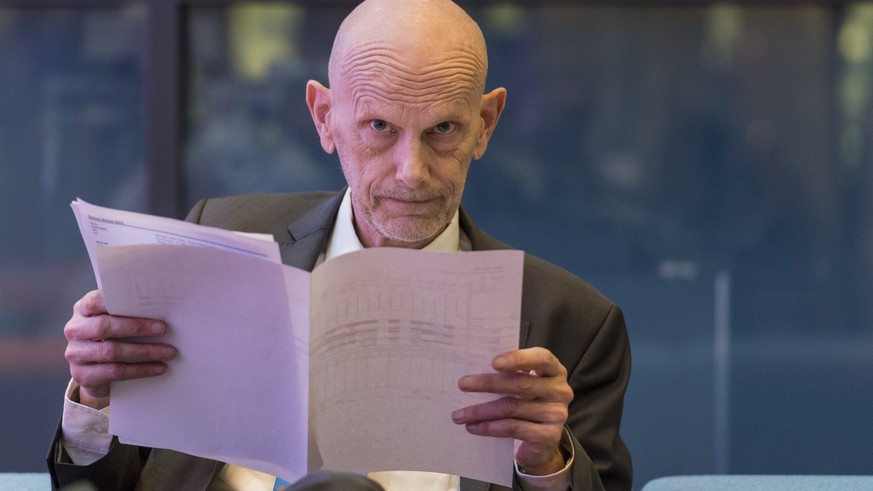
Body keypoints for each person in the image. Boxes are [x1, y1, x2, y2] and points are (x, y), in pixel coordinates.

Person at [48, 0, 632, 490]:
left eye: (443, 129)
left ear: (486, 123)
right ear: (325, 117)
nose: (412, 172)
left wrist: (545, 465)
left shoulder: (573, 323)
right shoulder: (218, 241)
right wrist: (96, 402)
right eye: (380, 127)